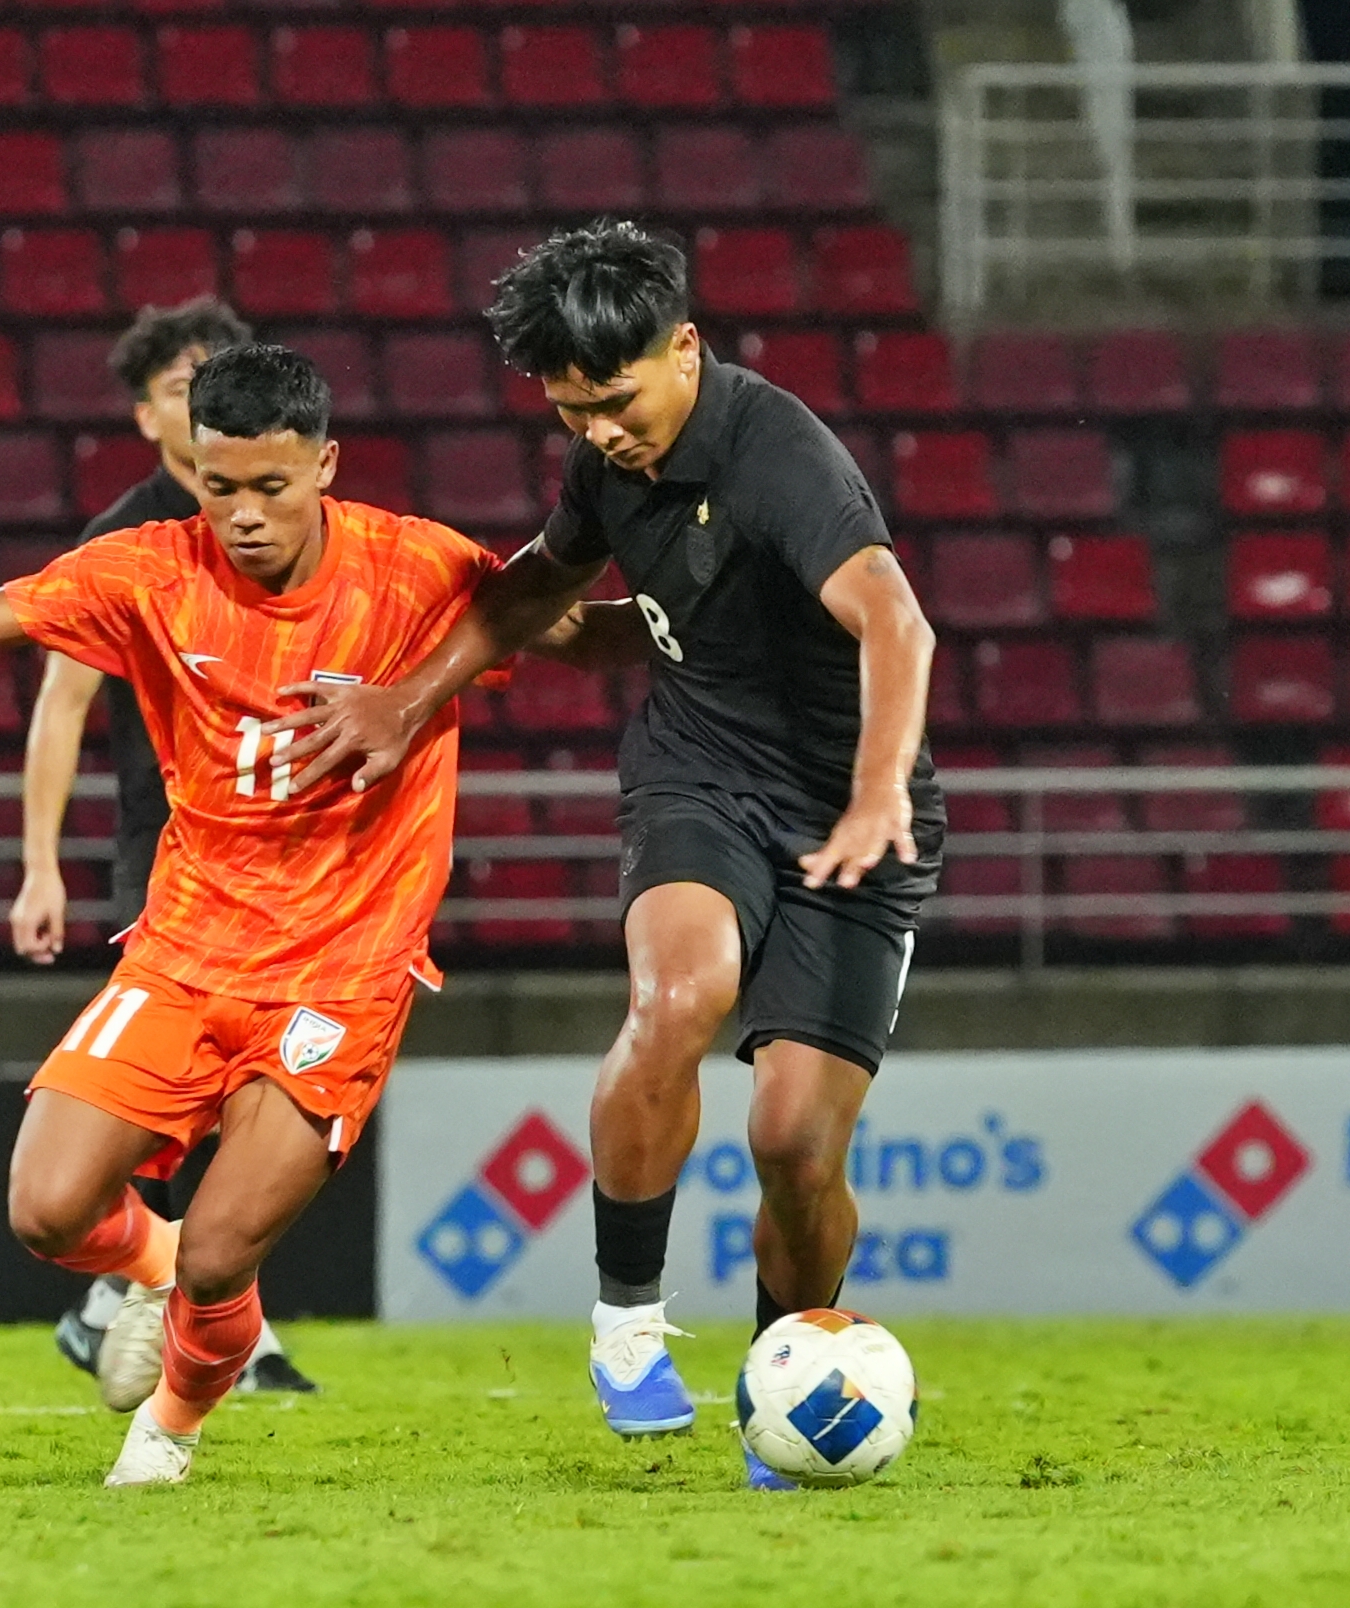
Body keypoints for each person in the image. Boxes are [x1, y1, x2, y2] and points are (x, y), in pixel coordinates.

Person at [0, 344, 624, 1488]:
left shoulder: (414, 567)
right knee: (46, 1209)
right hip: (186, 949)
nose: (242, 515)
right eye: (219, 486)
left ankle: (169, 1427)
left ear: (325, 466)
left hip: (342, 971)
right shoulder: (151, 571)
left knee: (222, 1256)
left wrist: (725, 630)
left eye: (271, 486)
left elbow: (562, 629)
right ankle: (157, 1273)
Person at [266, 221, 946, 1492]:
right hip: (700, 776)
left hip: (856, 810)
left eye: (617, 402)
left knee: (797, 1145)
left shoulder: (781, 454)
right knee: (676, 998)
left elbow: (897, 626)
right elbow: (537, 589)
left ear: (686, 348)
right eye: (572, 410)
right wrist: (404, 700)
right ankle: (628, 1324)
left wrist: (872, 795)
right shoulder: (606, 458)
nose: (599, 433)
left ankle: (780, 1381)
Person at [7, 297, 315, 1397]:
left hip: (289, 855)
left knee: (256, 1090)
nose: (205, 403)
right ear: (146, 417)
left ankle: (123, 1299)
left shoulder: (302, 526)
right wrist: (40, 865)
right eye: (181, 389)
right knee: (203, 1089)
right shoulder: (126, 542)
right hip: (172, 844)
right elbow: (61, 703)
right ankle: (201, 1306)